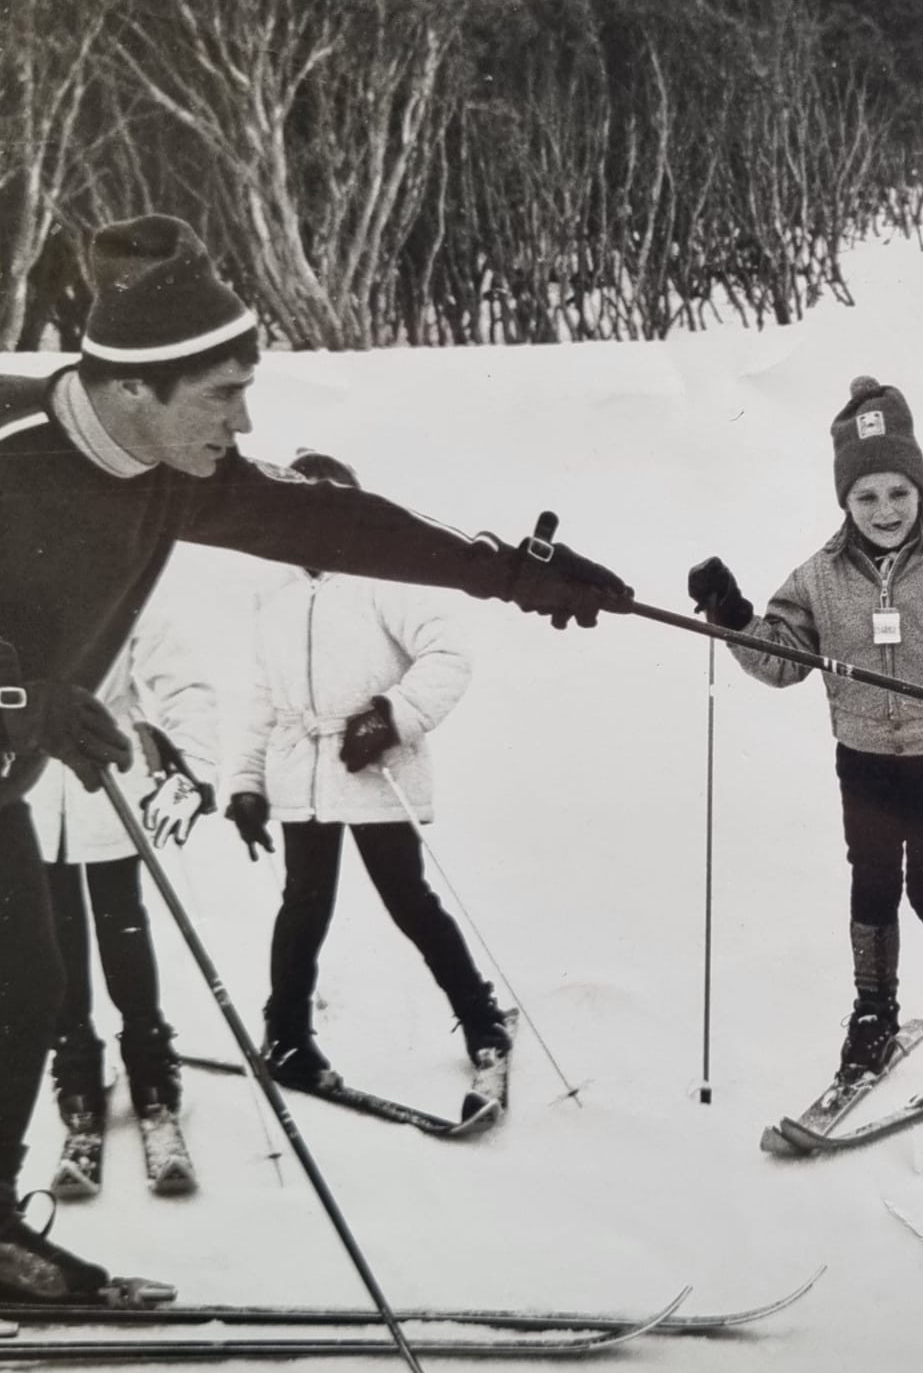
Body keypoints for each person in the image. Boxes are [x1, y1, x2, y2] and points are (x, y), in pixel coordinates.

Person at [0, 214, 631, 1302]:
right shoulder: (18, 459)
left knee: (25, 985)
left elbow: (339, 525)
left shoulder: (176, 463)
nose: (244, 419)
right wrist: (25, 697)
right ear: (136, 388)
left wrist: (512, 574)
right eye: (223, 393)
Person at [687, 376, 923, 1089]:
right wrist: (732, 615)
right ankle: (873, 1014)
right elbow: (779, 658)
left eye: (898, 492)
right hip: (861, 757)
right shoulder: (820, 578)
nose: (885, 510)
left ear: (920, 488)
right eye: (866, 497)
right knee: (870, 886)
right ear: (845, 501)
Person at [223, 452, 511, 1110]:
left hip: (377, 765)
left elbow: (448, 654)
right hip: (303, 769)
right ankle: (288, 1037)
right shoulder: (276, 591)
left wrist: (389, 717)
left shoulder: (386, 577)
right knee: (304, 906)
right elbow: (264, 698)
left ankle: (483, 1020)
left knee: (408, 898)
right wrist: (245, 783)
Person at [30, 607, 217, 1199]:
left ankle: (151, 1076)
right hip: (30, 795)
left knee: (122, 930)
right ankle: (78, 1077)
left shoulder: (123, 577)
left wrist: (188, 762)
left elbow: (182, 684)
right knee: (54, 941)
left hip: (109, 785)